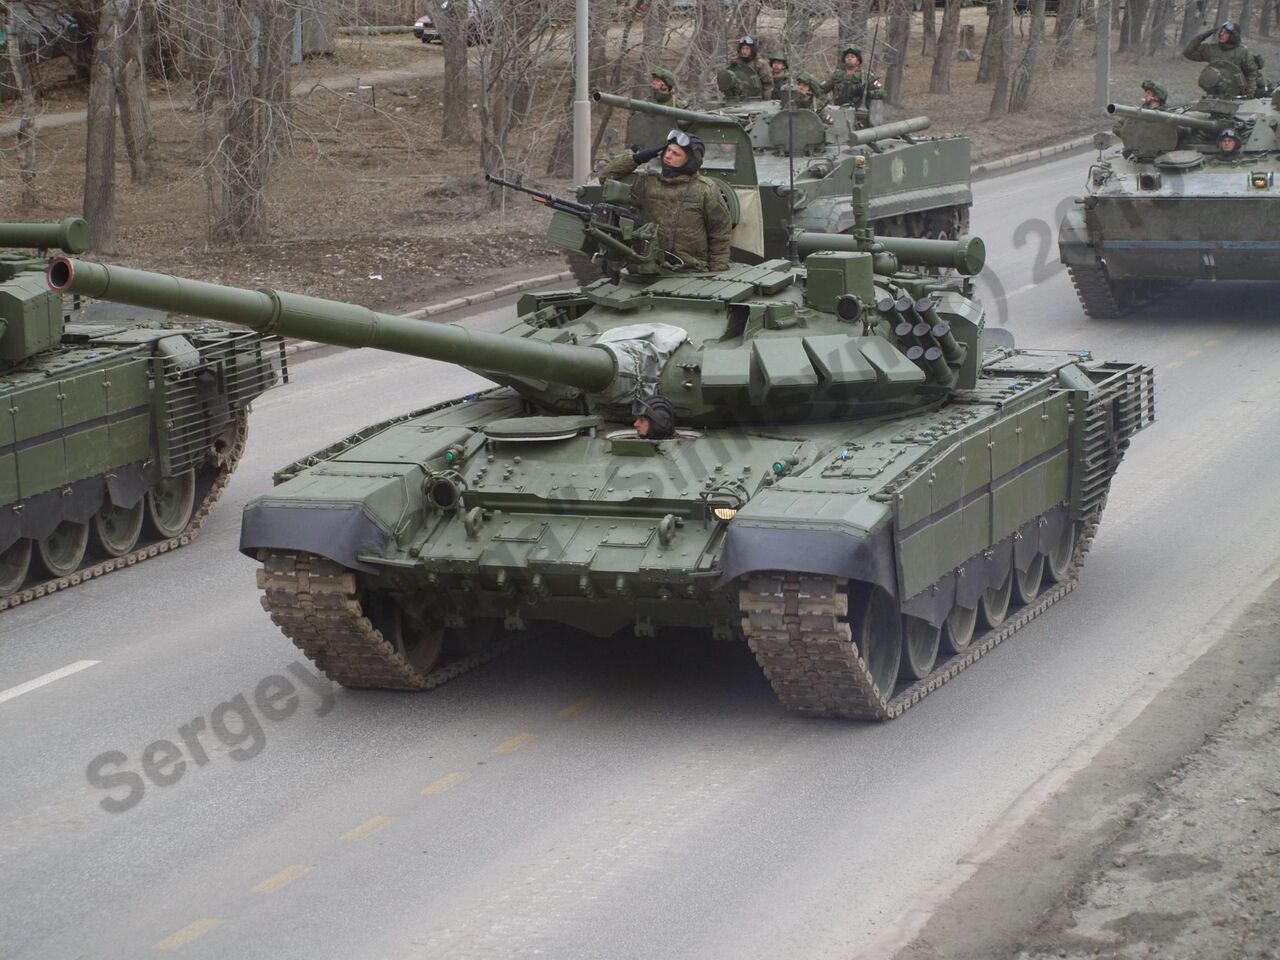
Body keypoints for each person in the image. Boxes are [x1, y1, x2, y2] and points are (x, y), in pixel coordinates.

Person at [596, 129, 733, 272]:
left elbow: (720, 233)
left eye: (676, 153)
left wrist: (718, 272)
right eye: (668, 150)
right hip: (650, 268)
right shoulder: (647, 183)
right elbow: (605, 178)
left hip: (692, 271)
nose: (668, 155)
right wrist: (636, 159)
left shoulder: (705, 189)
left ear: (691, 160)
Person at [1183, 21, 1259, 97]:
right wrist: (1200, 37)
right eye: (1221, 31)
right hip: (1214, 93)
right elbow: (1188, 53)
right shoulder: (1212, 49)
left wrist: (1250, 94)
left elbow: (1251, 73)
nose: (1221, 34)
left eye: (1226, 33)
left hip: (1236, 94)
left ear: (1233, 36)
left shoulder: (1242, 52)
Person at [721, 36, 772, 101]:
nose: (744, 51)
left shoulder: (760, 64)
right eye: (743, 48)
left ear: (752, 49)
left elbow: (767, 85)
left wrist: (765, 101)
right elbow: (728, 83)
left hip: (756, 100)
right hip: (737, 100)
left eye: (747, 48)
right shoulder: (735, 63)